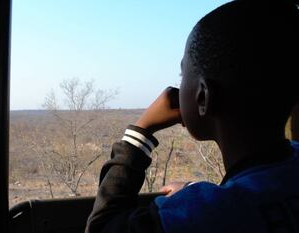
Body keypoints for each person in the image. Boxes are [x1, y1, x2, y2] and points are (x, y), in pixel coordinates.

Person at [85, 0, 299, 233]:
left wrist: (141, 130)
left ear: (203, 97)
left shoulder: (200, 218)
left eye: (182, 74)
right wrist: (195, 189)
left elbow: (101, 228)